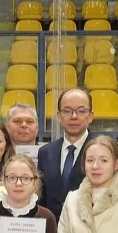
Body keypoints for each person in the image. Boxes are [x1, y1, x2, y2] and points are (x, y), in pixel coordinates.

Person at [38, 88, 96, 219]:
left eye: (81, 111)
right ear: (58, 116)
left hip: (89, 232)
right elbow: (41, 199)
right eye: (67, 111)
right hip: (53, 232)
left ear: (91, 116)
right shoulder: (46, 152)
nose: (74, 116)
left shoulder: (103, 151)